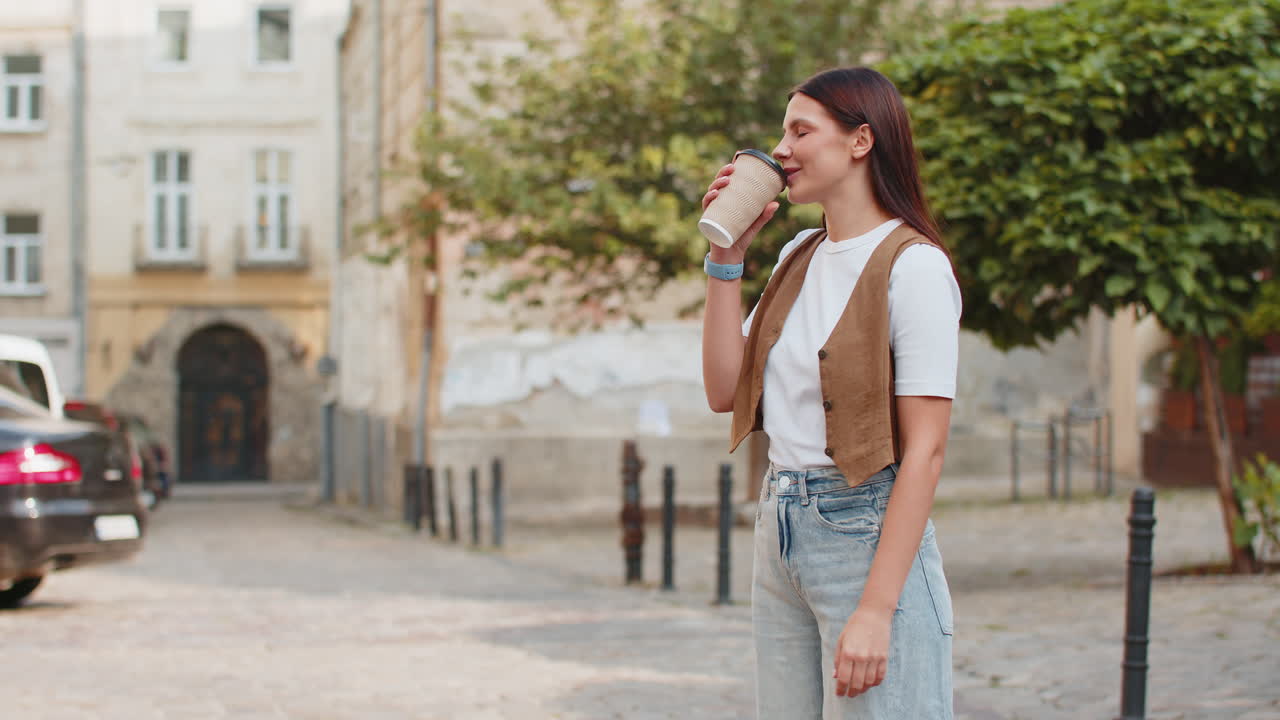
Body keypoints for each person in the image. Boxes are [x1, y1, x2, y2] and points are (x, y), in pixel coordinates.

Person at [700, 66, 961, 719]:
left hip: (864, 531)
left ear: (860, 141)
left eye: (800, 130)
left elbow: (925, 452)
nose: (780, 149)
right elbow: (723, 390)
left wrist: (877, 610)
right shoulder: (798, 254)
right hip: (780, 528)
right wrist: (725, 263)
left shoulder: (916, 267)